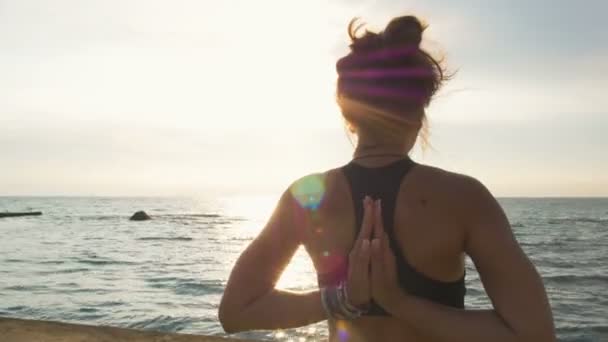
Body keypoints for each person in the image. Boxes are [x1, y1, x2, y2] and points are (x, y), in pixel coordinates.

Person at [219, 15, 556, 342]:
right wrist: (401, 303)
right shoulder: (463, 198)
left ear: (348, 115)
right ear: (419, 114)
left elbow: (237, 311)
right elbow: (533, 333)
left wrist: (344, 298)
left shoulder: (307, 195)